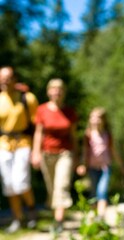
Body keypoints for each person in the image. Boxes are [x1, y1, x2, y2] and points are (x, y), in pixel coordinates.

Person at [31, 78, 78, 233]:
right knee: (52, 190)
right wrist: (35, 153)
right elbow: (38, 133)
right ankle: (55, 219)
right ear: (48, 91)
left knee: (61, 186)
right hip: (47, 153)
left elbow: (73, 136)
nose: (57, 92)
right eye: (54, 88)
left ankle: (59, 222)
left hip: (65, 153)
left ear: (64, 92)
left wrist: (77, 157)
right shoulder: (42, 110)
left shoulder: (70, 112)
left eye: (60, 89)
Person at [0, 66, 38, 233]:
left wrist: (37, 150)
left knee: (21, 182)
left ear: (15, 79)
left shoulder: (27, 98)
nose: (4, 81)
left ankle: (31, 210)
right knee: (8, 185)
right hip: (3, 145)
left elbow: (38, 125)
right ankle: (17, 218)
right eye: (1, 78)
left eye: (7, 77)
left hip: (23, 143)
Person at [76, 107, 124, 220]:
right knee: (94, 194)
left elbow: (113, 152)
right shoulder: (88, 135)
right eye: (93, 117)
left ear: (104, 120)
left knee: (102, 191)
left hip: (105, 168)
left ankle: (100, 217)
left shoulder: (107, 135)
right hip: (92, 168)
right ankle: (94, 217)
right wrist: (82, 165)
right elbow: (85, 152)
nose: (95, 120)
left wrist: (121, 165)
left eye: (98, 117)